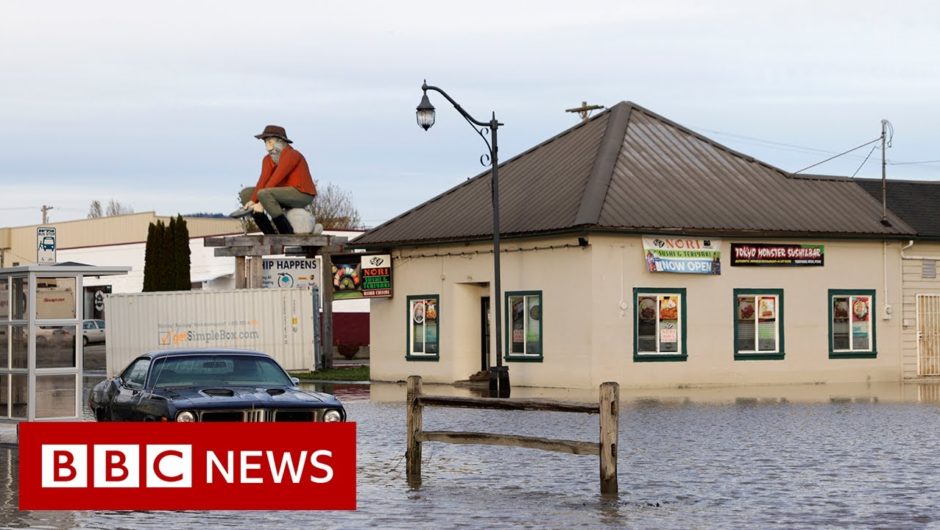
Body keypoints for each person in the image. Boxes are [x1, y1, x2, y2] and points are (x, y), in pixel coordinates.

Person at [230, 125, 317, 234]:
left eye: (270, 142)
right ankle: (268, 232)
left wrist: (261, 201)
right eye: (266, 142)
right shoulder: (267, 160)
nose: (268, 147)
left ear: (280, 141)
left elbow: (276, 178)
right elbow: (263, 180)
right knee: (246, 193)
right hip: (280, 193)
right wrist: (252, 200)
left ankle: (286, 231)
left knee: (263, 194)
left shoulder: (292, 155)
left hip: (302, 193)